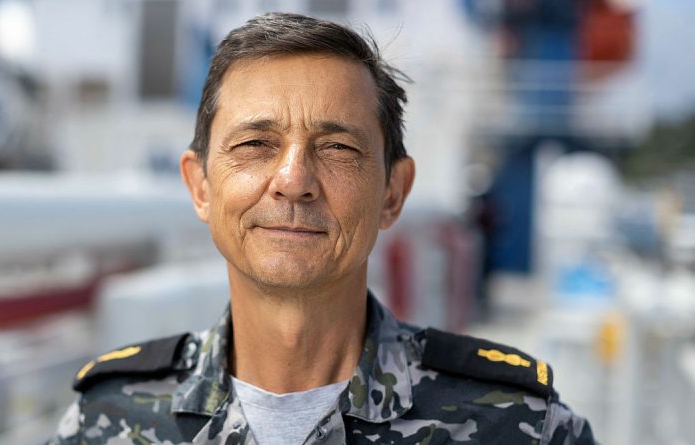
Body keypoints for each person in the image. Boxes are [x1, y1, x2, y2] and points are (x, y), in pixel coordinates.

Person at [48, 13, 596, 445]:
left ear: (392, 193)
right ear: (200, 187)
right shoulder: (104, 421)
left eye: (337, 148)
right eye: (254, 145)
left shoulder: (521, 427)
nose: (293, 180)